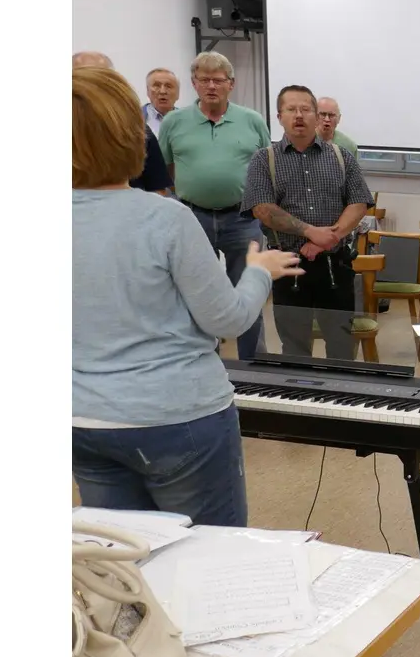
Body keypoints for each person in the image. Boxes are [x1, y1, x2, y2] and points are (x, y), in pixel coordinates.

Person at [72, 65, 302, 526]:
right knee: (210, 561)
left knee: (127, 568)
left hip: (85, 421)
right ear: (132, 136)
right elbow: (227, 320)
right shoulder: (166, 218)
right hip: (178, 420)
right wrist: (258, 272)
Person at [242, 85, 374, 360]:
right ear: (279, 117)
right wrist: (310, 232)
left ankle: (339, 400)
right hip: (287, 266)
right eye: (291, 109)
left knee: (341, 347)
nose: (299, 115)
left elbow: (359, 202)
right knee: (294, 348)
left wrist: (330, 238)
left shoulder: (341, 157)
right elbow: (262, 209)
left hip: (335, 265)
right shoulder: (263, 160)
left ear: (316, 116)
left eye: (305, 109)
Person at [158, 51, 274, 359]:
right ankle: (202, 359)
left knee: (249, 288)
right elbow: (166, 170)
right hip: (192, 218)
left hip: (241, 219)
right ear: (194, 84)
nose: (212, 86)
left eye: (218, 80)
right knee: (196, 295)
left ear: (230, 84)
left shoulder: (252, 121)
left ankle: (253, 363)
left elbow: (265, 169)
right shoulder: (174, 122)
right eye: (204, 79)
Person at [73, 52, 172, 196]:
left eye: (99, 78)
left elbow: (157, 188)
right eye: (83, 78)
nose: (91, 87)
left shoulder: (137, 129)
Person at [143, 67, 180, 138]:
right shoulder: (134, 119)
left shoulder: (188, 121)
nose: (162, 91)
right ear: (148, 91)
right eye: (157, 86)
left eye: (168, 86)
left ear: (178, 93)